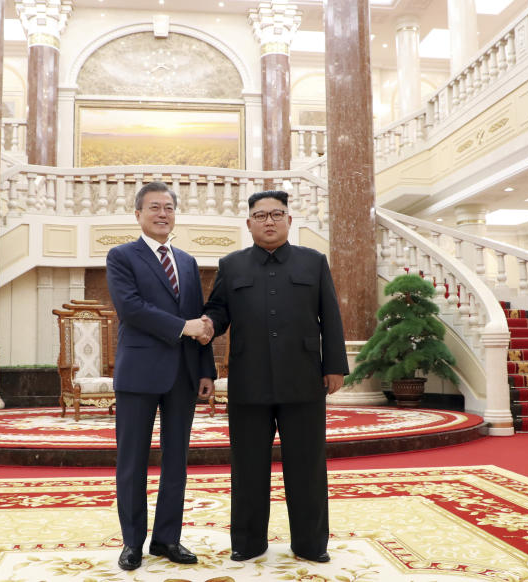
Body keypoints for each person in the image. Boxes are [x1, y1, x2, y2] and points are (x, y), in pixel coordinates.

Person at [202, 190, 347, 563]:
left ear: (289, 221)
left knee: (308, 467)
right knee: (248, 467)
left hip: (304, 381)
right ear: (249, 223)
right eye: (261, 215)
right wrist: (205, 325)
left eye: (277, 214)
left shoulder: (313, 262)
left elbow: (330, 316)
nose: (269, 221)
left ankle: (311, 544)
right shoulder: (231, 265)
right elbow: (218, 313)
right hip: (248, 382)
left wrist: (334, 366)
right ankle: (248, 543)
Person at [105, 181, 216, 571]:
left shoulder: (186, 261)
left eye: (169, 207)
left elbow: (198, 314)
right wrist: (183, 328)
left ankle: (167, 539)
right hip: (138, 373)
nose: (162, 214)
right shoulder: (121, 256)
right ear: (138, 214)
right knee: (131, 461)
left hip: (184, 376)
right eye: (154, 207)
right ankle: (132, 543)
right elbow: (131, 309)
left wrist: (206, 370)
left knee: (176, 462)